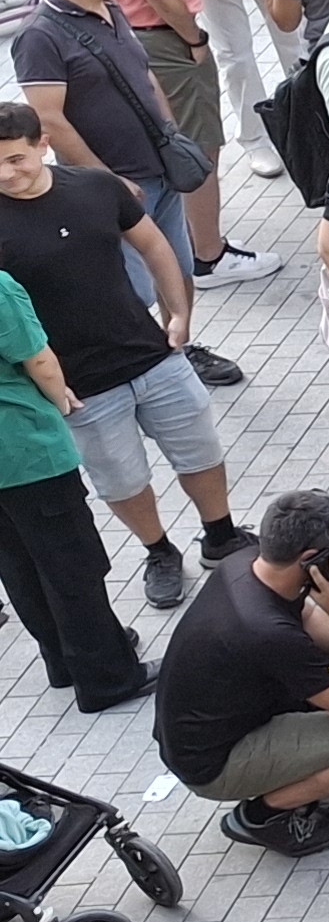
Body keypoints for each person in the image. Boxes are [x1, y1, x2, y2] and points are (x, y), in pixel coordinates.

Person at [0, 98, 243, 612]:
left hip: (151, 355)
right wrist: (45, 384)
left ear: (42, 145)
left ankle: (220, 534)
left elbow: (153, 244)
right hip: (79, 384)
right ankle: (158, 551)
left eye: (15, 158)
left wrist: (178, 315)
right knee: (122, 479)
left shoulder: (93, 187)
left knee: (200, 449)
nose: (7, 173)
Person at [154, 485, 329, 850]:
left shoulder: (247, 563)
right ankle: (263, 815)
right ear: (311, 560)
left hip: (204, 733)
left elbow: (303, 614)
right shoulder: (265, 632)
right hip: (216, 765)